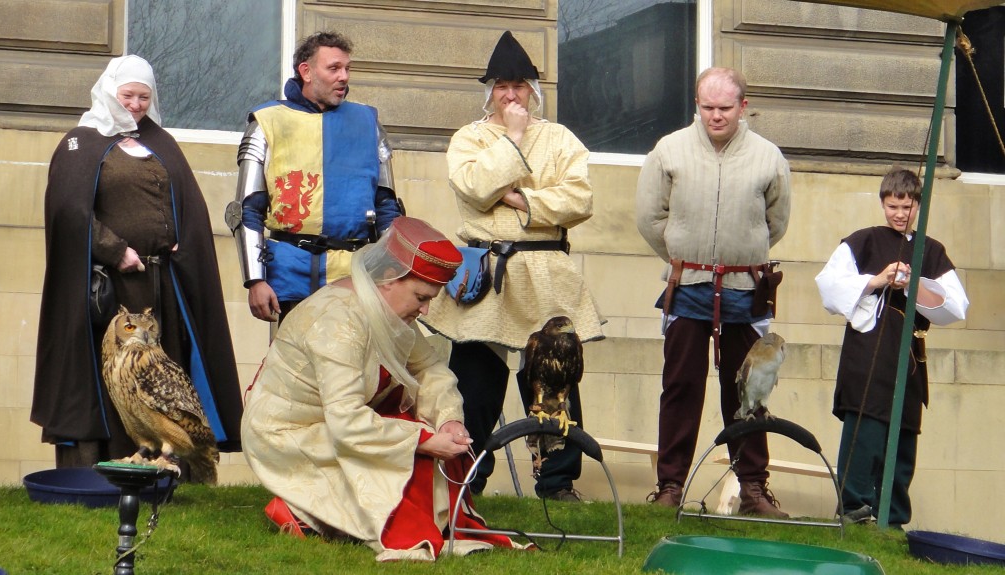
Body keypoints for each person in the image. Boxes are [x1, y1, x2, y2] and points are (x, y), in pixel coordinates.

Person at [242, 216, 525, 561]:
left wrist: (448, 419)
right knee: (415, 459)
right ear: (390, 278)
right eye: (421, 297)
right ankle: (304, 511)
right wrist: (422, 441)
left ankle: (320, 513)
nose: (424, 310)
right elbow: (346, 422)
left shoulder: (383, 307)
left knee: (427, 443)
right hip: (289, 433)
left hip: (340, 422)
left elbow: (429, 367)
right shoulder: (337, 321)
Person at [32, 55, 244, 468]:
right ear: (110, 91)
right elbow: (69, 210)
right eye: (128, 95)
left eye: (144, 97)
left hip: (161, 283)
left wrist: (183, 239)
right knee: (114, 377)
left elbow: (186, 200)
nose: (136, 104)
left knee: (160, 381)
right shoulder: (82, 141)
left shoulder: (159, 142)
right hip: (111, 289)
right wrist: (115, 250)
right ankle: (106, 466)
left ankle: (167, 466)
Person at [420, 31, 604, 502]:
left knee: (554, 376)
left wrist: (521, 198)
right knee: (474, 382)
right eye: (502, 86)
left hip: (546, 271)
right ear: (490, 92)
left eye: (519, 86)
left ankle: (557, 481)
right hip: (487, 273)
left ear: (532, 91)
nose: (510, 94)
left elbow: (579, 199)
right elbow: (474, 186)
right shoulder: (470, 138)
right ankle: (468, 477)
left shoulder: (561, 140)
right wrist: (515, 138)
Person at [635, 67, 792, 517]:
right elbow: (649, 217)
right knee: (680, 387)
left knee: (749, 392)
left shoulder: (768, 156)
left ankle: (753, 490)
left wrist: (742, 252)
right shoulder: (669, 150)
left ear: (743, 107)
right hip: (687, 286)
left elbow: (775, 222)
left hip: (746, 288)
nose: (715, 116)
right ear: (697, 106)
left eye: (725, 108)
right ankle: (669, 486)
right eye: (707, 107)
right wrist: (684, 253)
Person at [815, 167, 968, 527]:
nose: (899, 213)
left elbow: (956, 306)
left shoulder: (931, 251)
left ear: (918, 206)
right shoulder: (863, 241)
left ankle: (893, 517)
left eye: (907, 205)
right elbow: (828, 287)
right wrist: (878, 279)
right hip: (867, 350)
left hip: (908, 355)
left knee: (902, 433)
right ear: (883, 203)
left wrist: (917, 284)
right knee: (865, 426)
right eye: (892, 205)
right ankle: (853, 507)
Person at [227, 31, 402, 324]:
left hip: (356, 273)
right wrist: (255, 281)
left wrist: (393, 277)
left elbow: (388, 210)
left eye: (347, 68)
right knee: (292, 368)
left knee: (353, 367)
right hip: (289, 272)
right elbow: (247, 210)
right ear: (306, 72)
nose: (344, 76)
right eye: (333, 68)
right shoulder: (266, 122)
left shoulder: (368, 123)